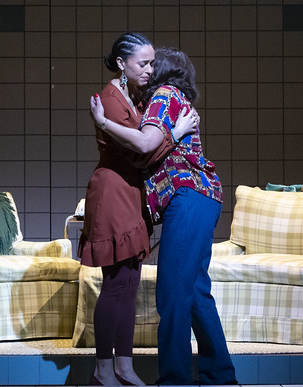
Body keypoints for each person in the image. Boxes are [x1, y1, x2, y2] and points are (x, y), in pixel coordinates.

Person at [91, 47, 236, 386]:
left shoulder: (163, 96)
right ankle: (221, 377)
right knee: (196, 292)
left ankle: (174, 380)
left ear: (163, 72)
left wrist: (102, 122)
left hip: (189, 197)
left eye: (152, 64)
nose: (148, 68)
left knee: (171, 293)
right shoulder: (175, 99)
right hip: (203, 197)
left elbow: (144, 143)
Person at [79, 33, 197, 386]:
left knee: (129, 285)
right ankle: (103, 369)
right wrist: (175, 132)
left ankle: (124, 366)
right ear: (121, 63)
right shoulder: (110, 99)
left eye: (151, 63)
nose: (150, 70)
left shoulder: (135, 95)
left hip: (132, 194)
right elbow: (143, 152)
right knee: (115, 283)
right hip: (114, 193)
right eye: (142, 63)